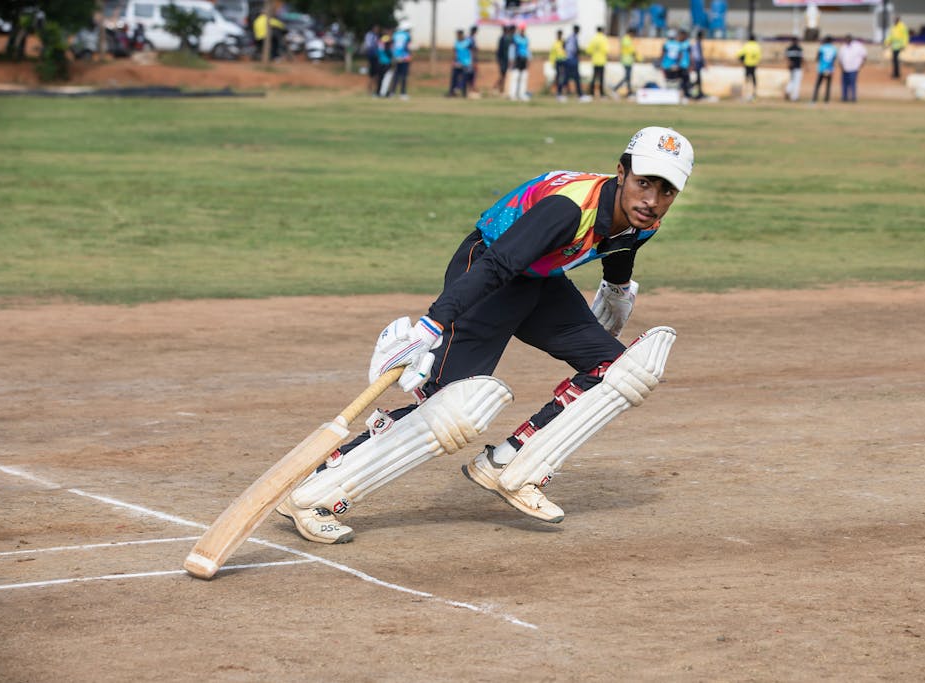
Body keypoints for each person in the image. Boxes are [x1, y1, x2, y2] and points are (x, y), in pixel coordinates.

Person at [275, 126, 696, 543]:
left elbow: (621, 249)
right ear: (621, 173)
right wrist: (432, 324)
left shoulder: (644, 220)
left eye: (666, 191)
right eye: (643, 184)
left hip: (539, 283)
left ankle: (509, 466)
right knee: (452, 409)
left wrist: (618, 291)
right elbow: (497, 266)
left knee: (621, 370)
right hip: (489, 272)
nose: (652, 201)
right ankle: (314, 496)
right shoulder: (567, 210)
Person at [838, 34, 867, 102]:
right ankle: (844, 97)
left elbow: (864, 55)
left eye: (848, 40)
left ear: (851, 39)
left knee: (852, 83)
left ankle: (853, 97)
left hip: (854, 68)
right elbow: (840, 58)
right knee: (844, 83)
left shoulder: (858, 46)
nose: (846, 41)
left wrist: (861, 64)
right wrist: (841, 66)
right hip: (844, 68)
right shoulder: (843, 47)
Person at [611, 27, 638, 98]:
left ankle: (629, 92)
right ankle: (615, 89)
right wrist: (639, 58)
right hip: (626, 61)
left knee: (628, 77)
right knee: (627, 77)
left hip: (628, 61)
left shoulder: (627, 39)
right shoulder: (626, 40)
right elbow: (632, 51)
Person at [585, 25, 609, 99]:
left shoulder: (594, 39)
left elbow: (588, 50)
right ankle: (601, 94)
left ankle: (591, 93)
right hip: (601, 61)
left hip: (595, 61)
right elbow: (606, 50)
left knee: (594, 78)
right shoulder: (604, 39)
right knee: (601, 78)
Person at [812, 35, 837, 103]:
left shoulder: (822, 48)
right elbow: (834, 58)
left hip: (822, 68)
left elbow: (817, 57)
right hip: (830, 69)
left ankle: (814, 99)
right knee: (828, 85)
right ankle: (826, 100)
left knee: (818, 84)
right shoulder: (834, 48)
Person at [391, 20, 413, 100]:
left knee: (396, 76)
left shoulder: (395, 34)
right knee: (403, 76)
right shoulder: (407, 35)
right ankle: (402, 93)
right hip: (404, 58)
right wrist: (408, 55)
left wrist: (395, 56)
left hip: (396, 57)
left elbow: (393, 46)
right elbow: (407, 47)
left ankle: (392, 92)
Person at [736, 33, 761, 101]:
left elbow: (739, 54)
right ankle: (753, 94)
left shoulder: (747, 45)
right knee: (754, 80)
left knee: (747, 80)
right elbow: (759, 56)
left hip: (747, 64)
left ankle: (746, 94)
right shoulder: (757, 46)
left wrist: (742, 61)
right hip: (754, 65)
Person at [448, 28, 472, 97]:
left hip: (466, 63)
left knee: (464, 79)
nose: (457, 36)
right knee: (454, 78)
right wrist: (453, 61)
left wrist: (472, 62)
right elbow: (455, 52)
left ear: (461, 34)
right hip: (458, 63)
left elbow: (472, 51)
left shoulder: (467, 42)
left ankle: (464, 93)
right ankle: (451, 92)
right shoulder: (456, 42)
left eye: (458, 34)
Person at [563, 24, 586, 100]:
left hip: (568, 59)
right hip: (572, 60)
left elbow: (564, 45)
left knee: (568, 77)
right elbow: (575, 49)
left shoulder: (569, 37)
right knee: (575, 77)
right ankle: (579, 94)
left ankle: (562, 93)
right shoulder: (574, 38)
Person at [510, 22, 531, 101]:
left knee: (523, 77)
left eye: (523, 29)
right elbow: (512, 49)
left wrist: (529, 58)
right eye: (521, 29)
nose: (522, 31)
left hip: (524, 59)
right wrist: (511, 59)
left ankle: (521, 94)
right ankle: (513, 94)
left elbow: (527, 49)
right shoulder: (515, 38)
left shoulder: (526, 38)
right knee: (515, 76)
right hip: (517, 59)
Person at [493, 24, 514, 95]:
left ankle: (499, 88)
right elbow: (500, 51)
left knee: (504, 75)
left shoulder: (506, 38)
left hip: (504, 59)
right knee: (503, 75)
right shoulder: (504, 38)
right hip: (503, 60)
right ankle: (498, 88)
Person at [549, 28, 568, 100]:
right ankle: (559, 93)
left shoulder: (563, 42)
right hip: (558, 62)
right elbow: (552, 54)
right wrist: (552, 62)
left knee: (563, 78)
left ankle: (561, 92)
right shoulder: (555, 43)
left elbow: (566, 51)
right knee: (559, 78)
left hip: (564, 61)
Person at [362, 25, 380, 95]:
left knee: (377, 74)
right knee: (372, 74)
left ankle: (377, 90)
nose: (377, 30)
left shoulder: (377, 36)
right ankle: (369, 90)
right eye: (376, 29)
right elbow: (368, 45)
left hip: (377, 56)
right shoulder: (369, 35)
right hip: (371, 56)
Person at [784, 36, 803, 102]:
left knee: (792, 80)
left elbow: (787, 58)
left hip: (792, 68)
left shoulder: (789, 48)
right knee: (796, 82)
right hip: (797, 67)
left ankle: (788, 90)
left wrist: (788, 64)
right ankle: (794, 97)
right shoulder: (799, 49)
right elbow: (801, 58)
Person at [689, 29, 706, 99]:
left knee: (698, 79)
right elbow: (698, 55)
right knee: (696, 79)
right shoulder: (697, 43)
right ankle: (695, 93)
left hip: (697, 63)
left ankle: (698, 93)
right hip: (696, 63)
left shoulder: (696, 43)